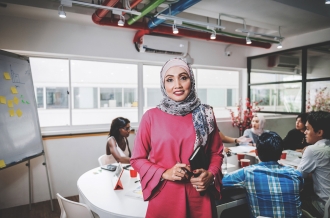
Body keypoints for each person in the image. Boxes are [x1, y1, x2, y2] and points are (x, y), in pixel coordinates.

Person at [130, 58, 223, 218]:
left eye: (183, 77)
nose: (177, 85)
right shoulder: (150, 117)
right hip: (165, 195)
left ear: (191, 81)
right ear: (163, 84)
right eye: (170, 80)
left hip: (199, 195)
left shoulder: (206, 114)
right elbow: (137, 159)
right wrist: (164, 172)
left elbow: (216, 153)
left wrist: (211, 174)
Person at [222, 131, 303, 218]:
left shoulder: (248, 172)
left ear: (256, 153)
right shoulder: (295, 174)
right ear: (281, 154)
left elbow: (221, 181)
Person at [298, 111, 330, 217]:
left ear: (319, 132)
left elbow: (298, 176)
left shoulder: (313, 150)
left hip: (324, 206)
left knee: (294, 201)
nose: (304, 132)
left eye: (307, 129)